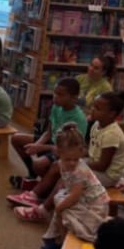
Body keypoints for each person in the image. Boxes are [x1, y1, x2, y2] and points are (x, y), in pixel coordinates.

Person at [10, 73, 86, 207]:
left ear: (73, 98)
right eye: (55, 93)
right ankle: (35, 178)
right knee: (17, 139)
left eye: (60, 95)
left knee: (39, 163)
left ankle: (43, 190)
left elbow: (65, 150)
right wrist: (36, 144)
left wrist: (40, 148)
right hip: (52, 143)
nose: (55, 97)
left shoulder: (78, 118)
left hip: (63, 151)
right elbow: (49, 132)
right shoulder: (57, 107)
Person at [36, 123, 110, 249]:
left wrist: (59, 208)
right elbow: (68, 185)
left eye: (76, 159)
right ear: (58, 152)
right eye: (67, 159)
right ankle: (58, 239)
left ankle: (64, 247)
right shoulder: (60, 164)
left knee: (64, 212)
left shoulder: (79, 171)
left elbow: (75, 195)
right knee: (58, 199)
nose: (72, 163)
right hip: (82, 197)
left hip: (94, 204)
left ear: (81, 153)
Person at [83, 89, 124, 191]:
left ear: (111, 114)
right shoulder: (96, 125)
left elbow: (102, 166)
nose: (92, 110)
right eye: (93, 106)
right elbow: (91, 151)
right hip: (95, 165)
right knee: (63, 165)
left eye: (97, 108)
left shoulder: (112, 134)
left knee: (72, 174)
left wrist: (79, 163)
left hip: (108, 176)